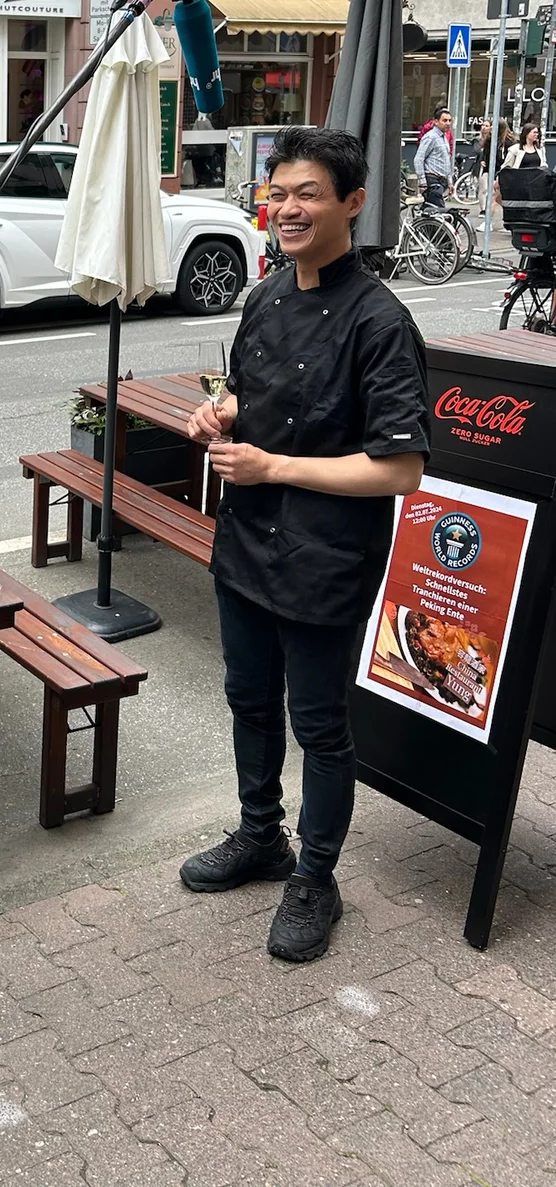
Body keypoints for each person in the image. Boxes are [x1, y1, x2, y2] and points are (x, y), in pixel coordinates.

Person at [181, 127, 428, 963]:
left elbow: (398, 469)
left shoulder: (382, 321)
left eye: (307, 193)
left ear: (353, 202)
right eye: (277, 191)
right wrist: (220, 414)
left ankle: (316, 878)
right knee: (248, 700)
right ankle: (261, 836)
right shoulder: (267, 294)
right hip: (246, 543)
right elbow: (252, 397)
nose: (286, 208)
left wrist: (270, 461)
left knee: (319, 727)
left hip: (326, 557)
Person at [413, 106, 453, 206]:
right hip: (432, 180)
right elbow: (419, 159)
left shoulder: (443, 137)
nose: (448, 123)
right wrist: (423, 182)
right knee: (439, 213)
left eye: (449, 120)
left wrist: (450, 182)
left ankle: (420, 221)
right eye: (444, 120)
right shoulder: (430, 137)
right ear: (436, 121)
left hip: (441, 181)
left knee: (430, 213)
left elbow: (446, 161)